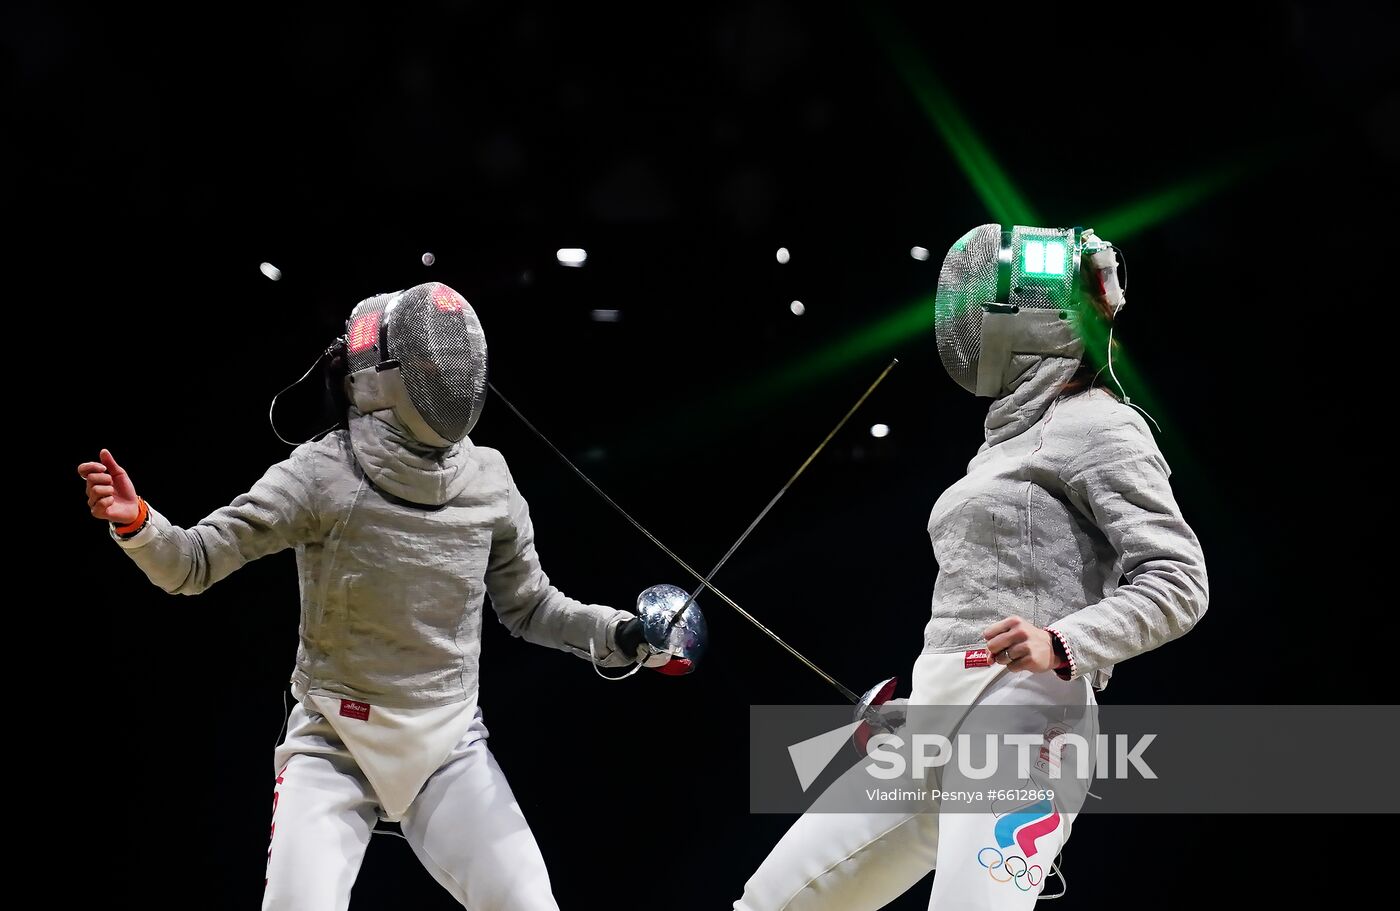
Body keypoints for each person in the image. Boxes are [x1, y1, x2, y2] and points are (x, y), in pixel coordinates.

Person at [78, 281, 690, 911]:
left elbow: (531, 606)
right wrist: (138, 523)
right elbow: (192, 562)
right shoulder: (322, 472)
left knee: (529, 903)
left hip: (447, 743)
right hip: (334, 740)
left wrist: (620, 634)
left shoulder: (488, 481)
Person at [733, 225, 1209, 910]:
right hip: (935, 722)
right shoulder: (998, 446)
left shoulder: (1101, 423)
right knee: (771, 902)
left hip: (1027, 719)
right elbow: (978, 604)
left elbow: (1179, 580)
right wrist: (923, 700)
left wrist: (1061, 642)